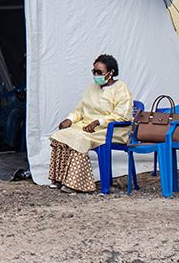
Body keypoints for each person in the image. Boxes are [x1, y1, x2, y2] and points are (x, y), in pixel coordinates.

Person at [48, 54, 133, 193]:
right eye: (94, 71)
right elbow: (80, 110)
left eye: (99, 72)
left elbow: (122, 116)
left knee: (79, 139)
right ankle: (60, 179)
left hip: (110, 130)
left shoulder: (121, 88)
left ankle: (76, 184)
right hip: (87, 127)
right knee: (60, 135)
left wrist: (98, 122)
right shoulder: (92, 88)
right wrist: (69, 119)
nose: (95, 75)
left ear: (110, 73)